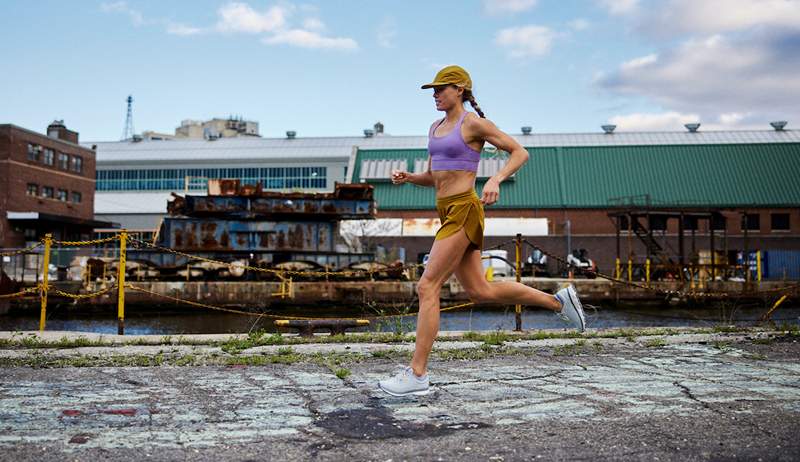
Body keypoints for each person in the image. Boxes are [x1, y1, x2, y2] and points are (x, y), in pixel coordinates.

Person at [378, 65, 586, 397]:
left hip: (465, 209)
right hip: (446, 210)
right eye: (432, 89)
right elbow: (436, 176)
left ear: (459, 89)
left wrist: (494, 179)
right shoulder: (434, 128)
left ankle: (417, 374)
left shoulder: (472, 123)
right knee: (480, 291)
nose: (435, 94)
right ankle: (559, 303)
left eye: (441, 88)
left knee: (427, 285)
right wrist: (410, 178)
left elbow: (520, 152)